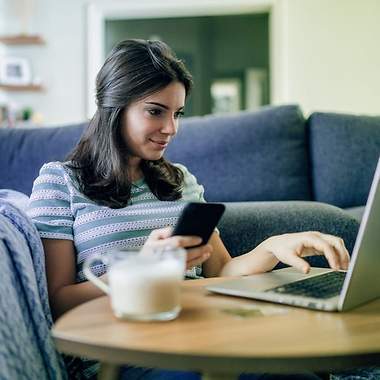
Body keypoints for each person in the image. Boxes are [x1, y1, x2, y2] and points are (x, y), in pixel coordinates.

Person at [28, 39, 349, 380]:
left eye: (177, 113)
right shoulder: (59, 182)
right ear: (114, 107)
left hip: (205, 335)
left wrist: (273, 247)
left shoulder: (180, 180)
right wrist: (142, 267)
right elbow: (57, 301)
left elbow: (221, 271)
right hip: (128, 355)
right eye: (156, 111)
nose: (171, 129)